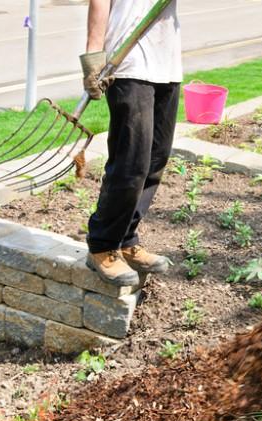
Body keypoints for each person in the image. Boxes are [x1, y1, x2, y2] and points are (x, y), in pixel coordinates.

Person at [79, 0, 181, 286]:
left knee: (156, 158)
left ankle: (126, 238)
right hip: (128, 63)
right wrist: (93, 53)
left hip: (167, 60)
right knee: (131, 162)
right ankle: (102, 245)